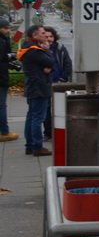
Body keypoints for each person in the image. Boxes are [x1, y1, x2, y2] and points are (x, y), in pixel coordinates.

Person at [17, 24, 52, 157]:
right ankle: (37, 146)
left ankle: (30, 145)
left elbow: (48, 64)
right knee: (38, 117)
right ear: (35, 36)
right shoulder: (35, 51)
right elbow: (51, 61)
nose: (46, 36)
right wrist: (47, 51)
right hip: (39, 87)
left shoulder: (28, 49)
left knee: (31, 116)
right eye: (43, 33)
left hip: (33, 87)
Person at [42, 26, 72, 142]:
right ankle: (48, 132)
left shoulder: (60, 48)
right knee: (47, 109)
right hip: (46, 83)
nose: (49, 39)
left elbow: (67, 64)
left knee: (60, 109)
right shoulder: (40, 49)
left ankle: (61, 131)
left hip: (59, 82)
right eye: (46, 36)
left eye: (51, 36)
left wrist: (63, 78)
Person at [0, 18, 18, 142]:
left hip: (2, 75)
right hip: (1, 78)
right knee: (2, 105)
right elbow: (2, 58)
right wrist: (10, 56)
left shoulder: (4, 39)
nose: (8, 30)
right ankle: (4, 132)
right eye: (5, 28)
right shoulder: (1, 41)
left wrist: (11, 64)